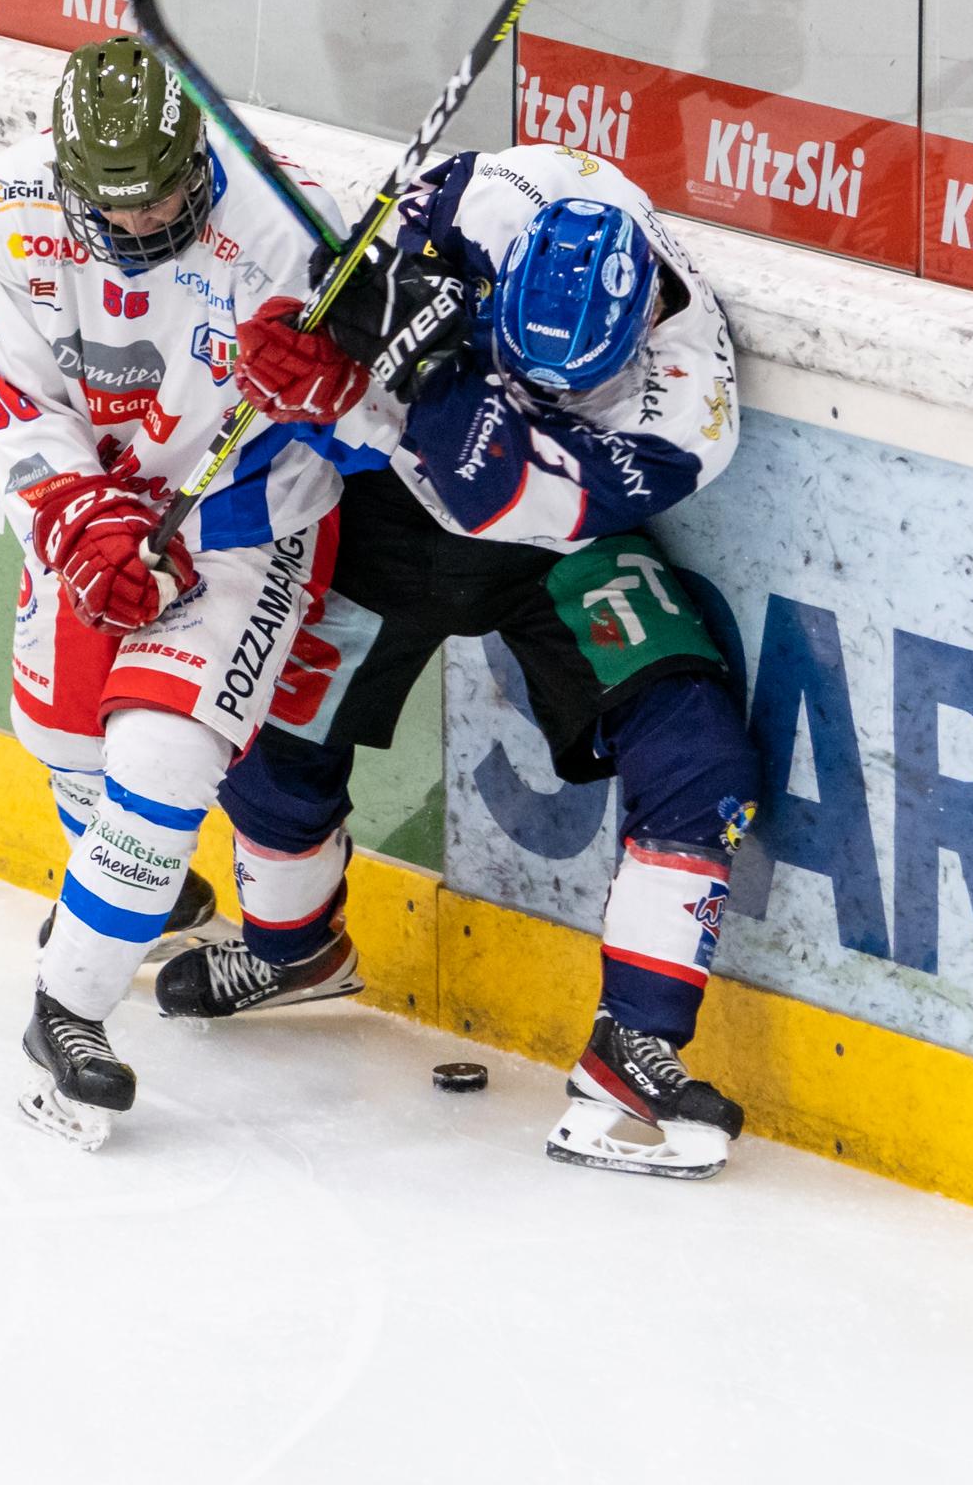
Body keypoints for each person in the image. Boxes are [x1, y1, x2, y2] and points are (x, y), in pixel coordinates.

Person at [195, 141, 763, 1179]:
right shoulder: (497, 194)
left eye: (567, 385)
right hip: (385, 506)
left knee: (698, 751)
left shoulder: (687, 411)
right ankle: (293, 948)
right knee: (269, 713)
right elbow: (351, 273)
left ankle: (634, 1047)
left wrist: (393, 381)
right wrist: (326, 334)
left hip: (546, 542)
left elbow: (487, 490)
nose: (539, 386)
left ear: (638, 333)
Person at [0, 38, 374, 1149]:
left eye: (161, 197)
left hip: (247, 522)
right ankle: (152, 899)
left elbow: (385, 433)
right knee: (63, 739)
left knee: (163, 758)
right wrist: (79, 520)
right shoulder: (4, 207)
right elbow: (18, 396)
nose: (141, 223)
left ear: (199, 161)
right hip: (99, 503)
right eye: (115, 204)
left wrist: (336, 389)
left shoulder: (295, 226)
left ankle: (65, 1012)